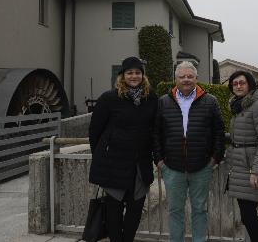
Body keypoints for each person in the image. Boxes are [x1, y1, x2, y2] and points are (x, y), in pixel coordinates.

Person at [153, 61, 225, 242]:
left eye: (189, 76)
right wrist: (159, 160)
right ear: (175, 79)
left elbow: (219, 132)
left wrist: (215, 159)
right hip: (172, 168)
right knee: (174, 210)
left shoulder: (210, 101)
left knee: (200, 209)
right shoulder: (163, 102)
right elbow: (155, 133)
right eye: (182, 76)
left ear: (196, 78)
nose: (186, 79)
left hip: (201, 167)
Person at [88, 56, 157, 242]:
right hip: (114, 164)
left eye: (137, 72)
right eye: (130, 72)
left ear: (143, 75)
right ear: (122, 75)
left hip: (139, 165)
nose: (134, 76)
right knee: (114, 210)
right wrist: (101, 156)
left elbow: (155, 130)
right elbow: (95, 132)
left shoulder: (150, 98)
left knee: (135, 209)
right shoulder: (109, 98)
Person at [226, 70, 258, 242]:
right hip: (239, 167)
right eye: (235, 83)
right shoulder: (239, 105)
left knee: (248, 216)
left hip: (251, 168)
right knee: (248, 216)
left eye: (242, 82)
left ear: (250, 84)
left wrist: (256, 170)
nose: (238, 86)